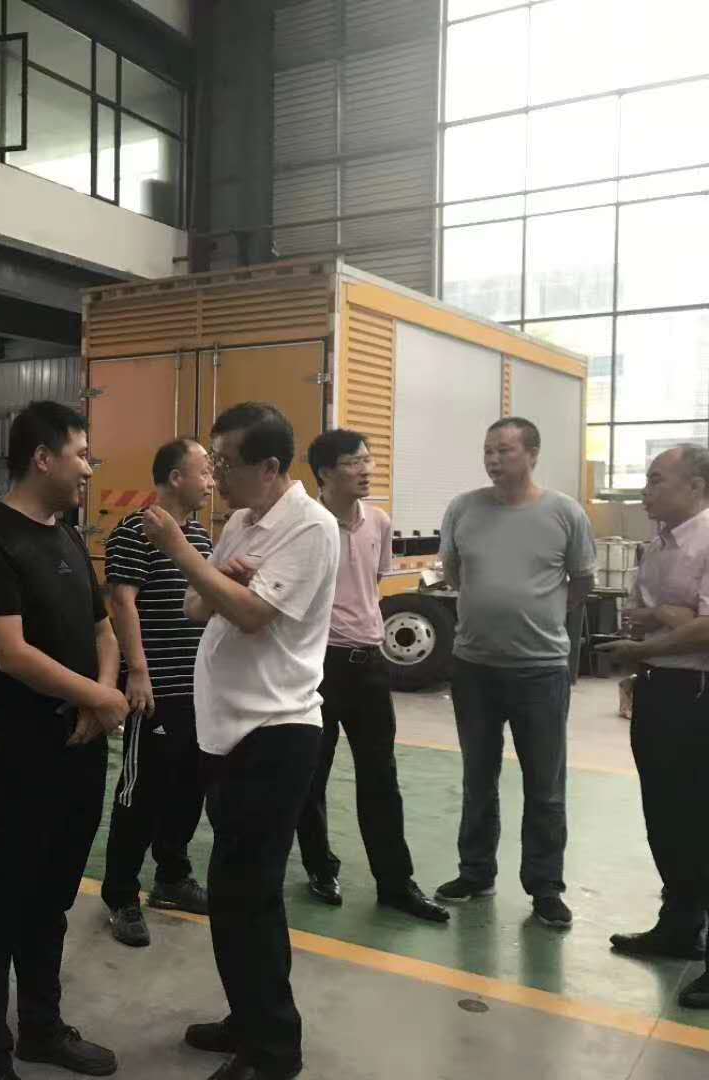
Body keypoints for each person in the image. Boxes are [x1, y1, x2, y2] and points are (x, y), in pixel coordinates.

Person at [142, 402, 338, 1080]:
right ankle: (247, 1017)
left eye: (225, 464)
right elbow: (198, 606)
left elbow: (252, 616)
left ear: (271, 466)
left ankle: (273, 1051)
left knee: (247, 897)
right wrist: (217, 578)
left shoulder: (310, 527)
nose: (215, 476)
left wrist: (183, 553)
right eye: (214, 462)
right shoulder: (244, 522)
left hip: (275, 734)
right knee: (236, 896)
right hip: (227, 733)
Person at [0, 401, 128, 1080]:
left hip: (78, 748)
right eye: (82, 455)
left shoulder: (68, 538)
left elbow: (103, 629)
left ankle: (41, 1028)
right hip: (18, 753)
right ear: (43, 457)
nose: (89, 469)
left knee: (52, 897)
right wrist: (100, 699)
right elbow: (11, 653)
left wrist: (100, 700)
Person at [434, 417, 596, 929]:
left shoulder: (565, 513)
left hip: (540, 671)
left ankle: (545, 887)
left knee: (544, 785)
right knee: (477, 778)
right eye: (488, 450)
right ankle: (476, 872)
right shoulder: (463, 508)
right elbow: (455, 572)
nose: (493, 459)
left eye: (504, 450)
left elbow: (581, 582)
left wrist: (537, 616)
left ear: (532, 453)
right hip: (474, 667)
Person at [294, 430, 449, 924]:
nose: (366, 470)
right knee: (311, 775)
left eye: (368, 460)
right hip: (318, 667)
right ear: (324, 473)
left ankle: (395, 882)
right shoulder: (306, 523)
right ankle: (320, 867)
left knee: (381, 777)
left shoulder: (378, 521)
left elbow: (372, 583)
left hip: (369, 666)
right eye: (353, 462)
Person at [597, 445, 709, 1010]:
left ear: (696, 486)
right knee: (665, 816)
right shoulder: (660, 544)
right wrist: (664, 622)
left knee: (701, 821)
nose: (646, 490)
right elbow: (667, 616)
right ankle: (679, 926)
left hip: (699, 694)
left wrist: (651, 638)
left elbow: (706, 629)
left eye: (657, 480)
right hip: (660, 690)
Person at [101, 438, 215, 948]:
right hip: (156, 690)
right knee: (141, 793)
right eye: (204, 471)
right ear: (175, 477)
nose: (211, 481)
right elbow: (122, 603)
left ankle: (171, 877)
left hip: (198, 691)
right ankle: (121, 894)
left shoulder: (200, 538)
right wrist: (138, 673)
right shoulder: (137, 529)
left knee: (189, 788)